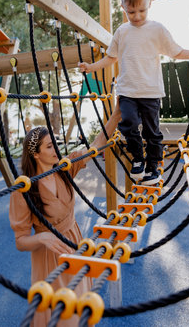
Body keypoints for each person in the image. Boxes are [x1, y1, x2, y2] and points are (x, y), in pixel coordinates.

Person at [78, 0, 189, 185]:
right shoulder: (122, 32)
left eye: (142, 10)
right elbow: (111, 57)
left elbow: (176, 51)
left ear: (149, 3)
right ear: (122, 7)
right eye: (131, 12)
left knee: (152, 131)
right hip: (127, 92)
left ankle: (153, 168)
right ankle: (138, 159)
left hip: (150, 92)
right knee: (128, 124)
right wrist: (91, 68)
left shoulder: (157, 29)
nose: (137, 16)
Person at [9, 105, 121, 327]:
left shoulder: (64, 168)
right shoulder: (24, 189)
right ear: (36, 153)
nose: (56, 150)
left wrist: (117, 114)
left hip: (74, 241)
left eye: (56, 144)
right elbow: (20, 241)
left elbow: (96, 146)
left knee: (79, 305)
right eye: (50, 146)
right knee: (61, 315)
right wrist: (42, 237)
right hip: (50, 255)